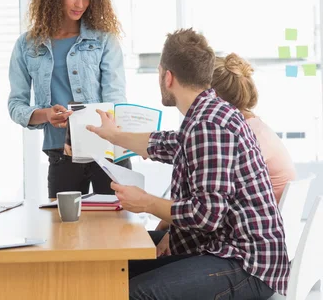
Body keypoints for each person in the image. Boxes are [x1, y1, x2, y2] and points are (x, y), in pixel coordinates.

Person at [87, 29, 289, 299]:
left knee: (136, 292)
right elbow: (164, 143)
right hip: (227, 249)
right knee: (113, 263)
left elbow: (207, 215)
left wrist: (146, 202)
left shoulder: (209, 124)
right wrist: (113, 135)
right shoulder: (209, 114)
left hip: (246, 264)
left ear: (167, 77)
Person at [8, 0, 129, 198]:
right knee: (65, 230)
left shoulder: (104, 41)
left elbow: (115, 99)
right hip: (61, 152)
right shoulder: (27, 45)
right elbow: (16, 106)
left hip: (105, 149)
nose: (80, 3)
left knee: (117, 228)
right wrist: (46, 115)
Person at [212, 53, 297, 203]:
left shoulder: (245, 135)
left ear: (214, 96)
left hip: (259, 222)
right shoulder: (254, 125)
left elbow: (215, 195)